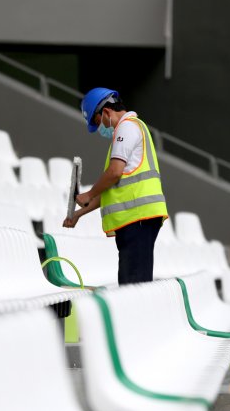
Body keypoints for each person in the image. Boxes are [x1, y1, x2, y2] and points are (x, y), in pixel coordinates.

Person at [64, 87, 168, 284]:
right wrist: (79, 213)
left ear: (106, 112)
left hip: (137, 219)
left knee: (133, 285)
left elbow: (114, 173)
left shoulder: (127, 128)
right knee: (135, 283)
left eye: (97, 122)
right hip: (138, 219)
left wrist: (88, 193)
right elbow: (112, 191)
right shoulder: (132, 129)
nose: (100, 129)